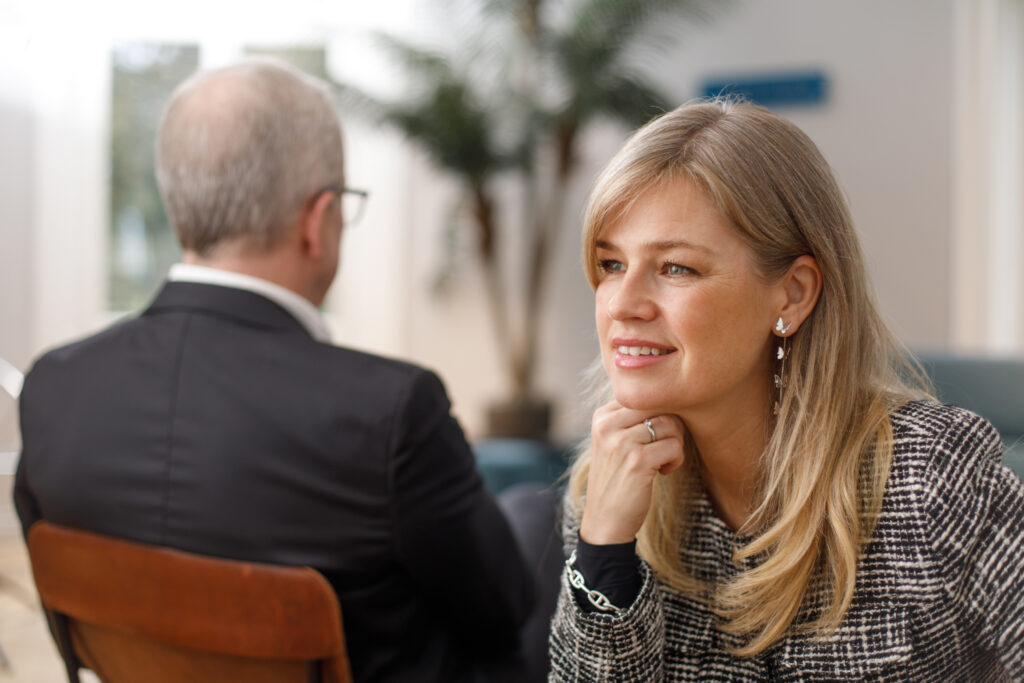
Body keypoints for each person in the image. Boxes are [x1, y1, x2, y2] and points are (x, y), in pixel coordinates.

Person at [14, 58, 534, 682]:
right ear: (318, 221)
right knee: (536, 525)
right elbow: (506, 609)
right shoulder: (390, 412)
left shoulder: (52, 387)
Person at [548, 99, 1024, 680]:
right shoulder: (607, 483)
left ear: (793, 294)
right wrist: (603, 549)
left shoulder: (930, 476)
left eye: (676, 268)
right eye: (611, 264)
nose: (622, 305)